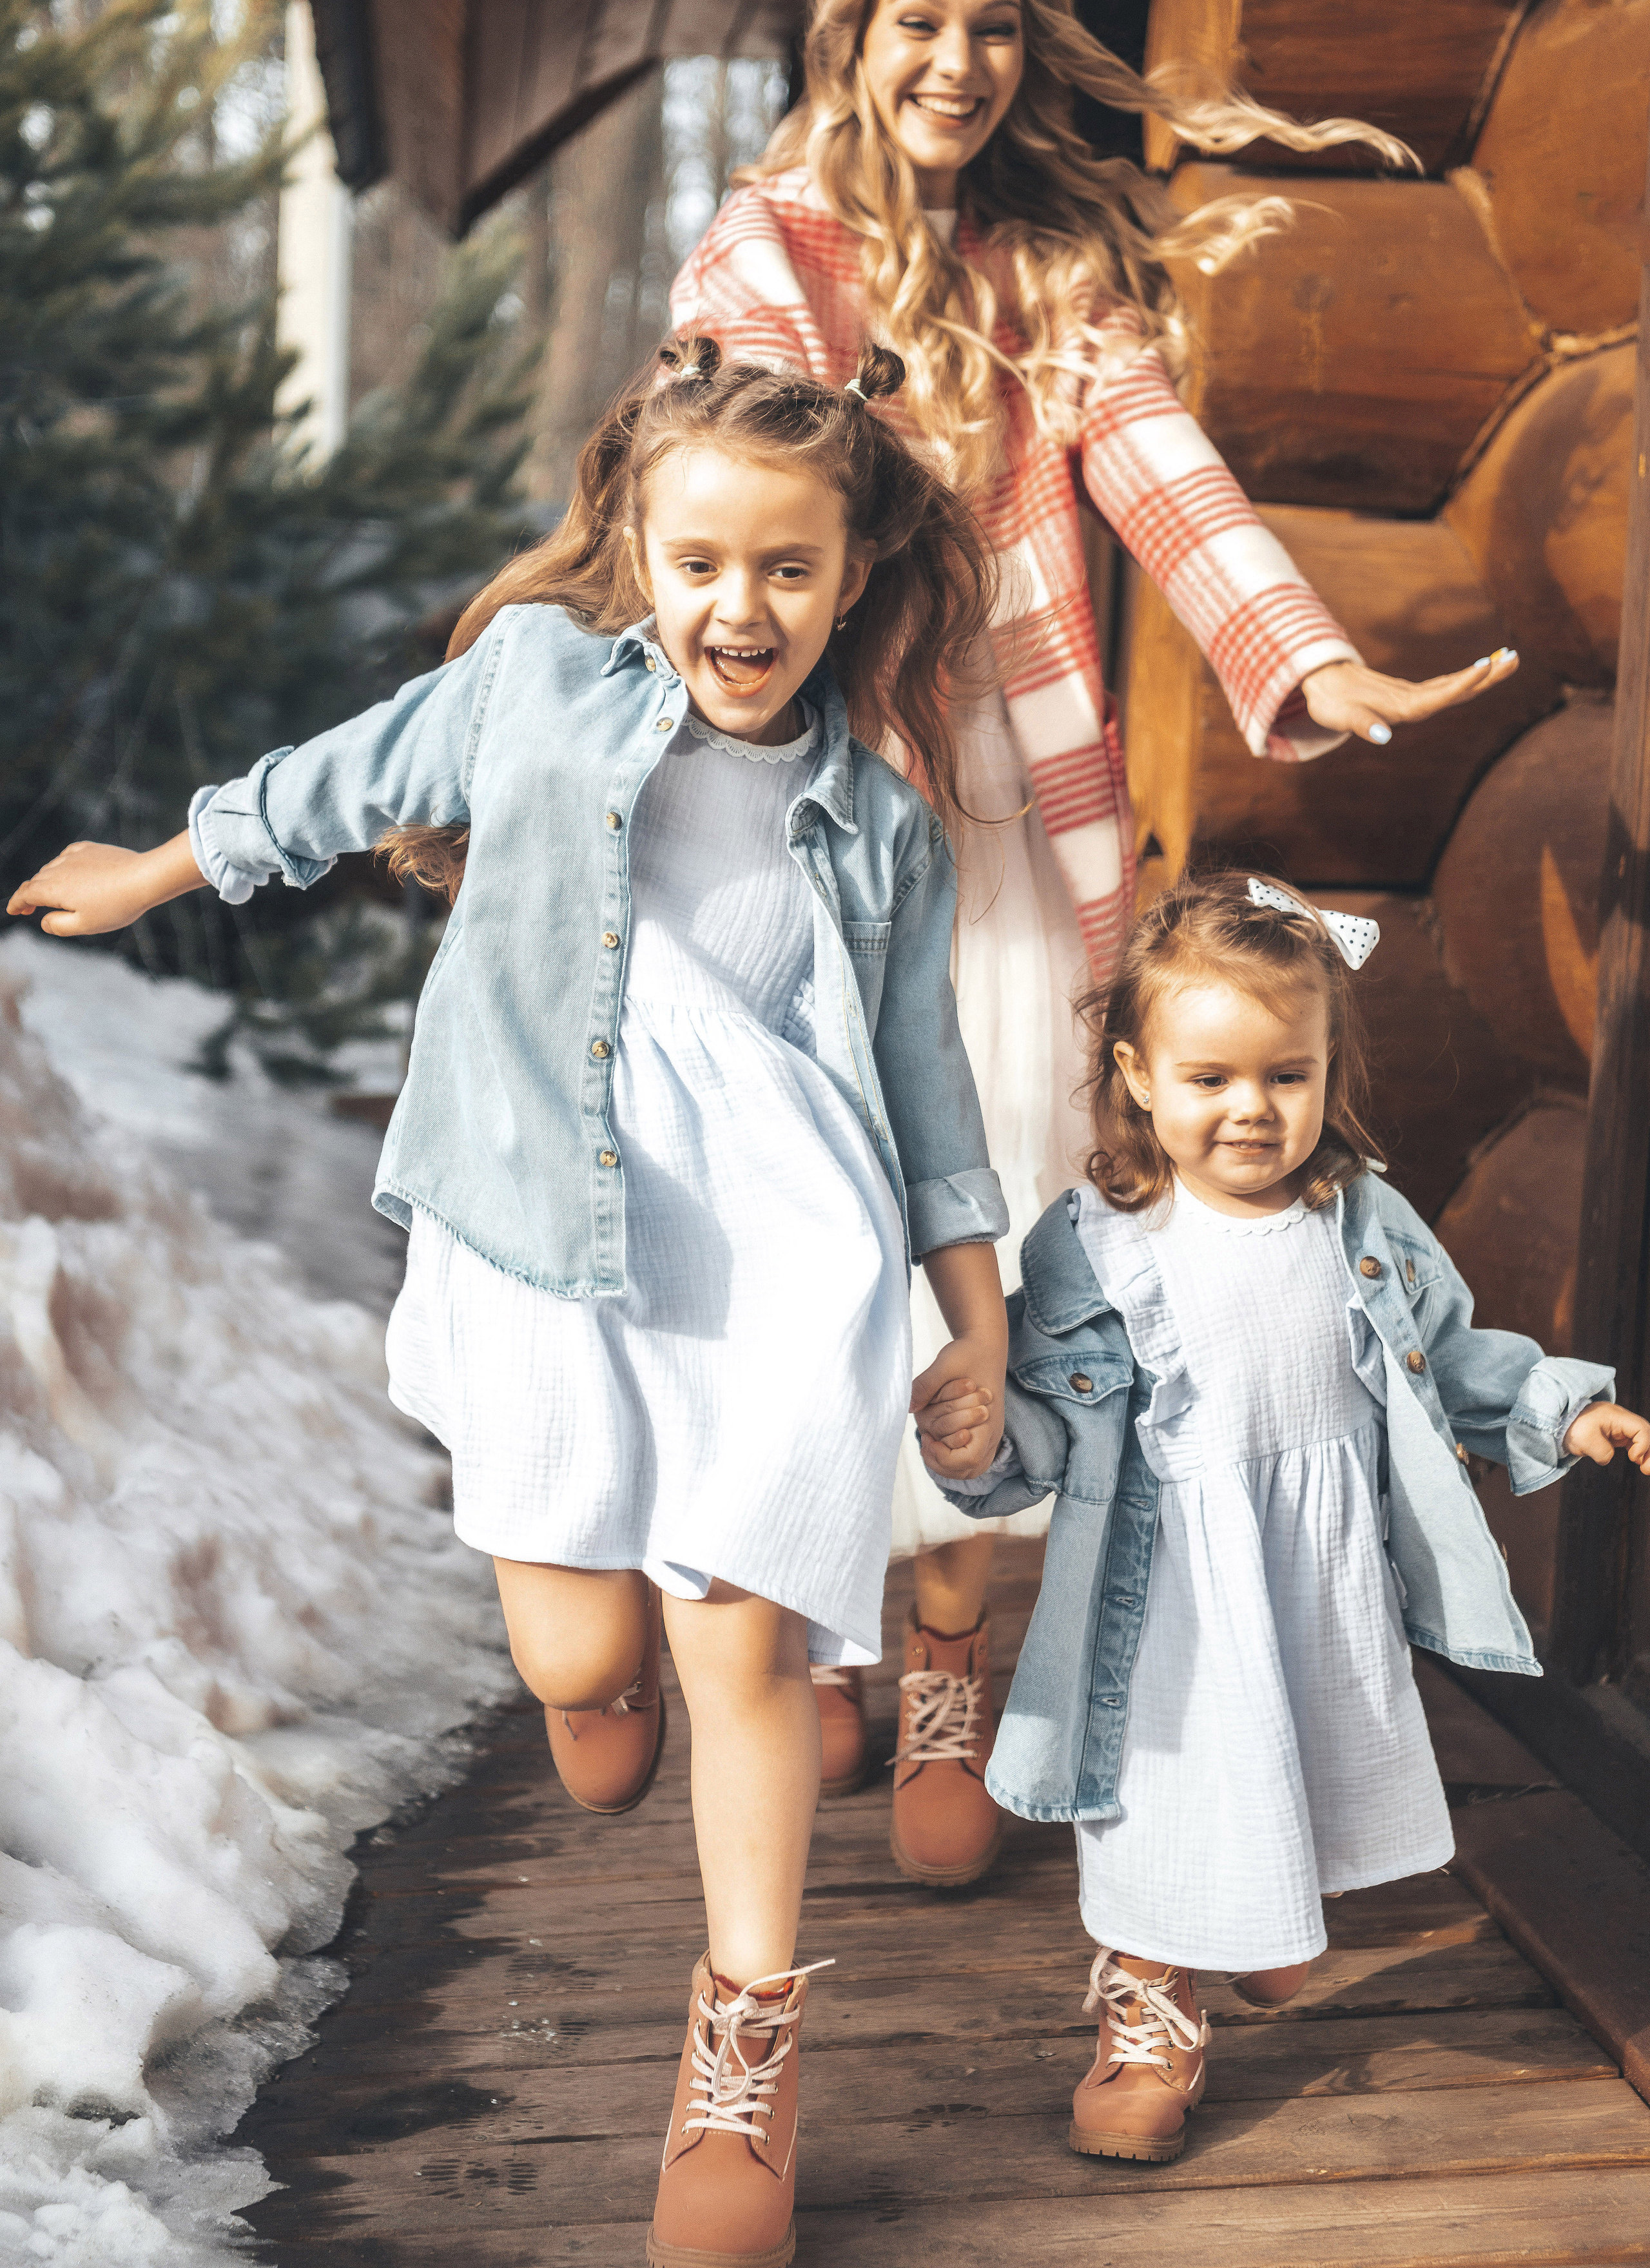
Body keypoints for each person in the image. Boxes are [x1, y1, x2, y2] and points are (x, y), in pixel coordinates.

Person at [8, 337, 1018, 2268]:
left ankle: (742, 2059)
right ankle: (603, 1655)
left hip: (781, 1268)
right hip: (542, 1236)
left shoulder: (878, 825)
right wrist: (152, 870)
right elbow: (335, 783)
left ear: (854, 575)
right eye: (703, 560)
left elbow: (928, 1090)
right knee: (573, 1673)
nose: (743, 608)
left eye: (789, 572)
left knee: (748, 1658)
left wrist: (968, 1315)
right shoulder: (537, 689)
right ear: (635, 546)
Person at [670, 0, 1520, 1874]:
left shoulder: (1051, 267)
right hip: (816, 812)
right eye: (915, 23)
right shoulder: (758, 251)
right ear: (850, 44)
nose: (953, 62)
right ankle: (830, 1624)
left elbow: (1163, 470)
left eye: (985, 26)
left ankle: (954, 1636)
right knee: (826, 1213)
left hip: (1014, 812)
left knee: (1001, 1206)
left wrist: (1311, 651)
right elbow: (733, 473)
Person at [920, 871, 1650, 2165]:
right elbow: (1048, 1417)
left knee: (1295, 1753)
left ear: (1325, 1072)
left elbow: (1446, 1355)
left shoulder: (1357, 1220)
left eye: (1284, 1077)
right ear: (1138, 1078)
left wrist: (1551, 1406)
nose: (1251, 1112)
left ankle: (1253, 1919)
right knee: (1159, 1794)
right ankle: (1146, 2008)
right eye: (1209, 1080)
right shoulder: (1098, 1245)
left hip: (1318, 1571)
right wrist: (985, 1441)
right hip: (1165, 1594)